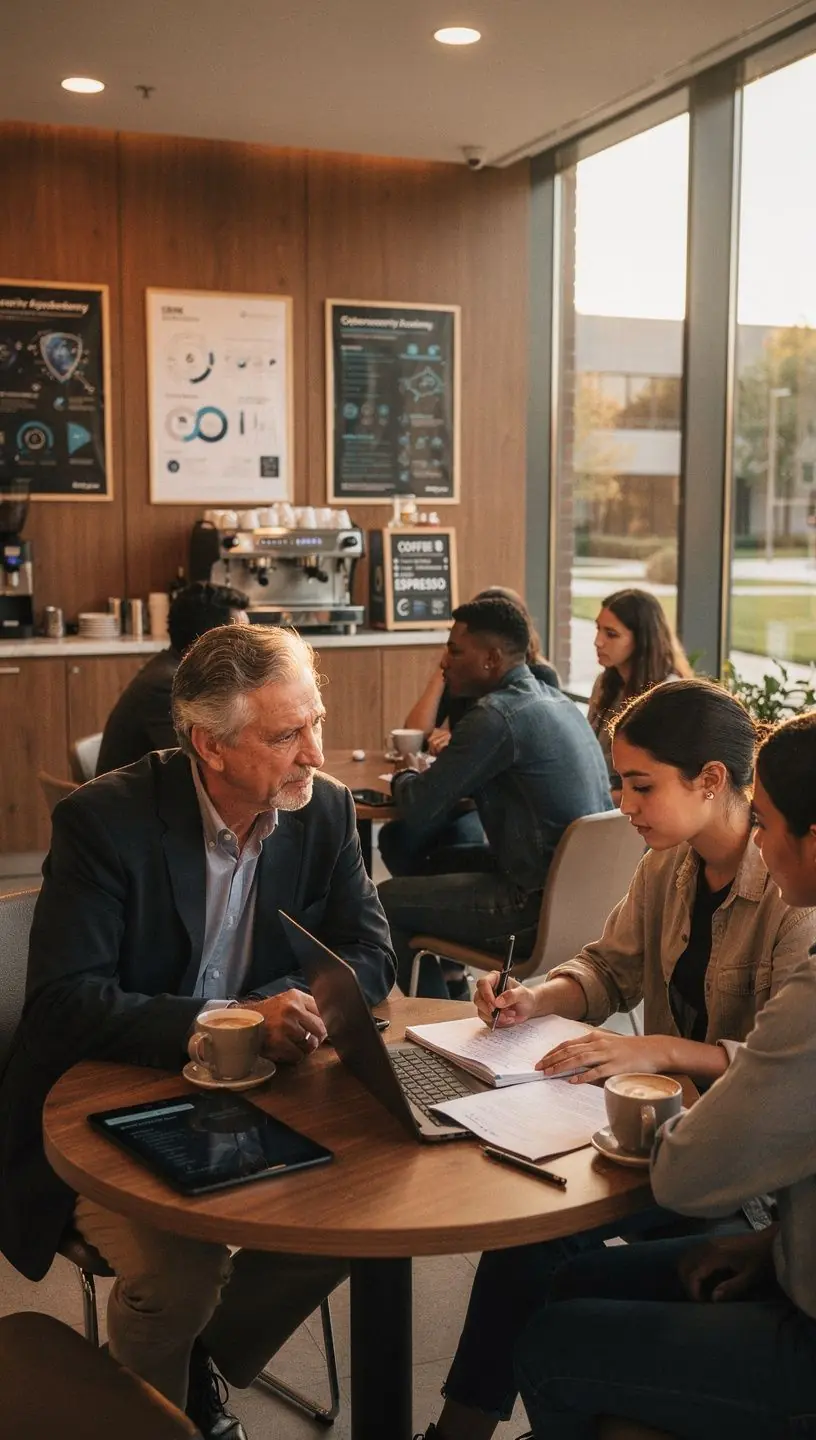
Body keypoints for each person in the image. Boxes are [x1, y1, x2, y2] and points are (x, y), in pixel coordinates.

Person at [0, 624, 395, 1440]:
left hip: (261, 1096)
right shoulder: (105, 823)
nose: (317, 754)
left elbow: (372, 952)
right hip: (110, 1096)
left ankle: (198, 1360)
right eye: (288, 735)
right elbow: (62, 1007)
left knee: (376, 1206)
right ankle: (153, 1416)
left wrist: (299, 1002)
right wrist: (237, 1019)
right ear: (208, 745)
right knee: (180, 1273)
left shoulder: (319, 812)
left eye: (315, 721)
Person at [416, 678, 816, 1440]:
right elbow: (607, 969)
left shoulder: (797, 902)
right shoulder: (669, 866)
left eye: (640, 786)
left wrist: (659, 1048)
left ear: (712, 781)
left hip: (731, 1168)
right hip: (669, 1141)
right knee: (525, 1243)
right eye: (618, 786)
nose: (623, 805)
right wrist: (536, 998)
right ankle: (456, 1433)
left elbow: (773, 1082)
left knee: (557, 1314)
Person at [378, 597, 611, 999]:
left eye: (454, 651)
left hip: (530, 908)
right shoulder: (558, 702)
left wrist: (406, 774)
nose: (445, 664)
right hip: (585, 905)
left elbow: (419, 807)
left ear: (490, 659)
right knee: (415, 856)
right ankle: (449, 983)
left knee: (380, 901)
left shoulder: (496, 717)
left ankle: (439, 1022)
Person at [96, 581, 249, 775]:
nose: (247, 647)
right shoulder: (169, 686)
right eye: (241, 636)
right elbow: (196, 767)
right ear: (209, 640)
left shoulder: (170, 668)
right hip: (133, 803)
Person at [403, 585, 560, 759]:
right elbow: (414, 735)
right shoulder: (465, 677)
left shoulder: (539, 678)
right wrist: (445, 665)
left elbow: (527, 746)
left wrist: (460, 741)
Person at [588, 587, 692, 798]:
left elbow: (660, 785)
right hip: (599, 800)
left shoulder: (667, 695)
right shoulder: (605, 684)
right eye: (598, 629)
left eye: (611, 634)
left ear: (642, 640)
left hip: (628, 811)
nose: (597, 641)